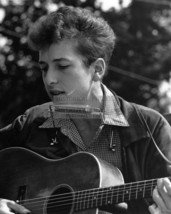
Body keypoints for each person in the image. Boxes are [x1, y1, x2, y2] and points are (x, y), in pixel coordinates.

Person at [0, 6, 171, 214]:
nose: (49, 79)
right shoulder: (31, 123)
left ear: (97, 70)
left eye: (62, 66)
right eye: (44, 68)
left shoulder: (150, 127)